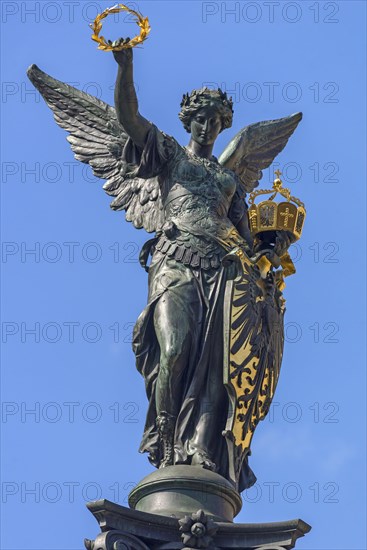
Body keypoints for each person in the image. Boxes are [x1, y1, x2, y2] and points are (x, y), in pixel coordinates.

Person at [111, 40, 290, 491]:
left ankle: (202, 447)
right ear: (188, 120)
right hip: (175, 262)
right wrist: (126, 65)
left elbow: (247, 240)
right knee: (174, 351)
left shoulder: (227, 178)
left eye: (216, 120)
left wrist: (270, 251)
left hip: (226, 271)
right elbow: (129, 118)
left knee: (217, 369)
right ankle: (168, 441)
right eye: (201, 118)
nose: (209, 125)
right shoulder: (169, 156)